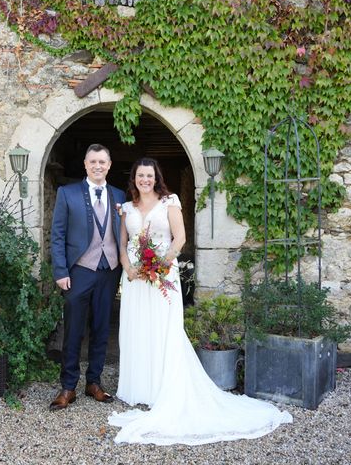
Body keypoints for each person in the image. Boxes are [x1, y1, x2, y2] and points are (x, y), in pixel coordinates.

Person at [109, 157, 292, 445]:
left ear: (156, 178)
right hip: (134, 280)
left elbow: (179, 238)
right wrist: (129, 269)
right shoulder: (127, 208)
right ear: (133, 178)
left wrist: (158, 266)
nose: (145, 180)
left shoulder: (169, 201)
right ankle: (138, 390)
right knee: (137, 330)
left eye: (149, 175)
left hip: (161, 278)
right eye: (140, 175)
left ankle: (161, 390)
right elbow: (122, 242)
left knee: (163, 330)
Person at [49, 144, 125, 411]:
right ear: (85, 164)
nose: (97, 166)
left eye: (102, 161)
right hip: (79, 270)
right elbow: (57, 235)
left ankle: (94, 382)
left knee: (102, 329)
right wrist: (60, 271)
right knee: (74, 331)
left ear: (109, 164)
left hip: (109, 271)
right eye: (93, 161)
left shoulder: (119, 195)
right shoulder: (67, 193)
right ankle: (68, 386)